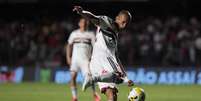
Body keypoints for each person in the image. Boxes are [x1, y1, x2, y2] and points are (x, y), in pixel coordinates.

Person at [73, 6, 134, 101]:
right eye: (123, 21)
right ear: (117, 18)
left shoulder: (115, 36)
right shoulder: (108, 22)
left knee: (112, 96)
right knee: (118, 77)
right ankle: (92, 79)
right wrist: (82, 12)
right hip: (101, 60)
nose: (125, 25)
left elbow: (116, 58)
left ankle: (93, 79)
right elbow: (93, 18)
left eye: (127, 23)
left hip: (101, 64)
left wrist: (126, 78)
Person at [66, 17, 101, 101]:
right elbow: (68, 45)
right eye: (82, 22)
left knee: (89, 78)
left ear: (87, 24)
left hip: (86, 60)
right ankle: (74, 97)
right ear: (79, 24)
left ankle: (94, 94)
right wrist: (68, 57)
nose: (83, 24)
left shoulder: (90, 34)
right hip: (75, 60)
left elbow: (95, 48)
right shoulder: (74, 34)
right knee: (73, 77)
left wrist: (93, 59)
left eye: (85, 22)